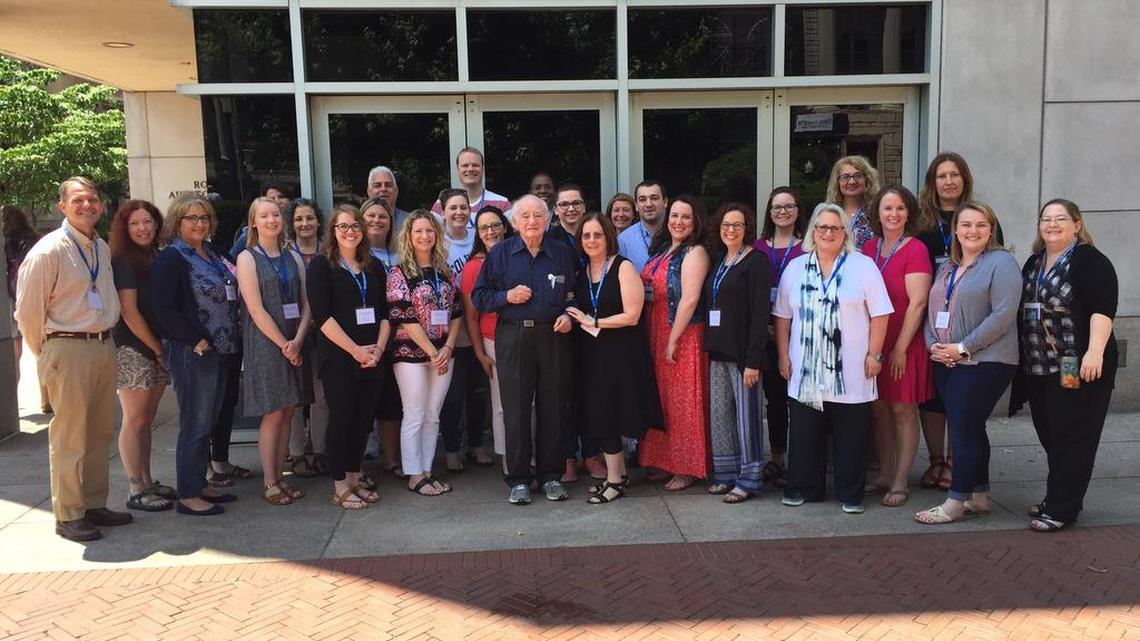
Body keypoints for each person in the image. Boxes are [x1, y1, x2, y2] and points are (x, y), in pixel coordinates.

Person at [14, 177, 131, 540]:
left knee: (99, 433)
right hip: (67, 347)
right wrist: (48, 354)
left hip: (101, 345)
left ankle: (93, 504)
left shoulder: (99, 246)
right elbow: (28, 313)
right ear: (62, 205)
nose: (87, 206)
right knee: (69, 437)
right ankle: (68, 513)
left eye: (93, 199)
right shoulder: (49, 251)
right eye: (78, 200)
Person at [774, 203, 892, 515]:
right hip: (805, 367)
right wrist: (783, 356)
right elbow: (783, 318)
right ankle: (803, 488)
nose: (828, 233)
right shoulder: (795, 268)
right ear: (813, 231)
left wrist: (875, 354)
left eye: (835, 228)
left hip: (852, 368)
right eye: (822, 227)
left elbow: (880, 314)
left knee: (851, 434)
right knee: (804, 433)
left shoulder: (862, 266)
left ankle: (850, 493)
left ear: (844, 233)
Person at [1009, 199, 1118, 532]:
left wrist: (1095, 351)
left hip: (1075, 365)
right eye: (1046, 219)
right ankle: (1057, 496)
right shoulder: (1034, 262)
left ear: (1077, 224)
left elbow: (1102, 308)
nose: (1052, 224)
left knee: (1073, 436)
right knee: (1052, 435)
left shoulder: (1090, 261)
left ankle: (1062, 509)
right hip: (1039, 367)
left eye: (1060, 219)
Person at [915, 202, 1020, 525]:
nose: (972, 231)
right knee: (971, 427)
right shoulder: (948, 266)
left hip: (986, 361)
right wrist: (933, 344)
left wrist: (962, 348)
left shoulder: (1002, 263)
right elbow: (932, 311)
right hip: (947, 361)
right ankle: (979, 496)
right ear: (956, 230)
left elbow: (1003, 315)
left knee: (961, 429)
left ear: (991, 230)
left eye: (980, 225)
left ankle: (955, 501)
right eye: (966, 225)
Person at [472, 195, 577, 505]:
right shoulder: (500, 253)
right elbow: (480, 297)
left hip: (554, 336)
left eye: (538, 215)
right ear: (514, 223)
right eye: (526, 216)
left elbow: (574, 294)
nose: (532, 221)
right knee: (515, 409)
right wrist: (507, 296)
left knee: (553, 406)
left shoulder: (561, 252)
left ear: (547, 220)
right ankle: (518, 479)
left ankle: (551, 476)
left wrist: (568, 314)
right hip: (513, 336)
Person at [914, 152, 1001, 491]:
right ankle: (936, 458)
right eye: (941, 176)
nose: (948, 181)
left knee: (960, 400)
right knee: (932, 395)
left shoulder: (978, 217)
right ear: (932, 182)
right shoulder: (922, 221)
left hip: (969, 319)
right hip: (931, 319)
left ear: (964, 179)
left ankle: (955, 461)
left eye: (954, 175)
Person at [152, 193, 241, 516]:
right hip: (194, 352)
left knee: (209, 421)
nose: (200, 223)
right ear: (177, 222)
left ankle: (200, 484)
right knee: (195, 423)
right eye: (192, 218)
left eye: (204, 218)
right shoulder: (172, 258)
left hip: (223, 349)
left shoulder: (215, 253)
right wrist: (195, 340)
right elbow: (164, 309)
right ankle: (188, 495)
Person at [566, 212, 662, 504]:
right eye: (586, 235)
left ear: (608, 237)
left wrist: (594, 322)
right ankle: (617, 477)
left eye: (597, 235)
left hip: (622, 354)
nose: (591, 240)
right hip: (593, 355)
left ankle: (614, 481)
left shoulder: (623, 268)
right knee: (602, 415)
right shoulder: (583, 273)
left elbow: (632, 316)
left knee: (615, 415)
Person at [307, 206, 391, 509]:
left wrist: (378, 350)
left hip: (373, 356)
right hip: (340, 357)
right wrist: (355, 350)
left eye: (355, 226)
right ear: (332, 231)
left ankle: (356, 477)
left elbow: (385, 313)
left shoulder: (374, 266)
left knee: (362, 420)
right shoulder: (321, 266)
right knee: (341, 419)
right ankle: (339, 484)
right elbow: (322, 316)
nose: (350, 232)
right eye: (342, 227)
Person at [859, 186, 933, 508]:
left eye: (900, 208)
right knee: (879, 411)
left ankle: (901, 480)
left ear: (909, 213)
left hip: (904, 341)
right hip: (874, 343)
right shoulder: (868, 247)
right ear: (877, 213)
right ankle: (885, 474)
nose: (893, 214)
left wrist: (900, 348)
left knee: (903, 410)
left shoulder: (915, 249)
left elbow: (917, 303)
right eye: (887, 208)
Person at [236, 197, 311, 505]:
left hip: (295, 340)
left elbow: (308, 304)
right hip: (268, 345)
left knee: (289, 410)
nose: (271, 220)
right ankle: (270, 482)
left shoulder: (292, 256)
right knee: (273, 413)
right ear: (254, 222)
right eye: (264, 216)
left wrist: (299, 340)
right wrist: (284, 344)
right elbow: (255, 310)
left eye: (276, 214)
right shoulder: (247, 258)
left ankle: (281, 477)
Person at [387, 210, 464, 496]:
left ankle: (427, 470)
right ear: (408, 236)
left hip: (443, 353)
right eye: (418, 231)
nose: (424, 236)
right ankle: (414, 474)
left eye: (429, 231)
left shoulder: (445, 270)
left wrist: (447, 347)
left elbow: (456, 313)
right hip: (410, 354)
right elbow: (403, 316)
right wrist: (433, 351)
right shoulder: (399, 272)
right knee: (415, 413)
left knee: (433, 415)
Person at [637, 195, 711, 492]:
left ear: (696, 222)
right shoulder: (665, 249)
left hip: (682, 334)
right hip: (656, 328)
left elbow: (690, 299)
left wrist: (673, 338)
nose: (678, 222)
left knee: (683, 403)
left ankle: (686, 466)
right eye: (675, 216)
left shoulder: (695, 253)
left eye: (685, 217)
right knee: (664, 401)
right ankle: (664, 460)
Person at [109, 199, 175, 512]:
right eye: (135, 223)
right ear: (125, 228)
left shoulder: (156, 257)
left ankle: (148, 480)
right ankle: (136, 487)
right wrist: (157, 348)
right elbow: (129, 312)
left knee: (146, 419)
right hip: (134, 349)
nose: (142, 228)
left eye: (147, 222)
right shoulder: (123, 261)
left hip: (157, 348)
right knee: (134, 420)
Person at [703, 204, 770, 503]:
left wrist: (754, 360)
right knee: (720, 416)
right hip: (718, 350)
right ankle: (726, 475)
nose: (731, 229)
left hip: (745, 356)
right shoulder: (718, 262)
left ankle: (749, 478)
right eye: (726, 224)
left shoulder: (756, 261)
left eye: (738, 225)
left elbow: (760, 313)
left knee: (747, 418)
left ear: (747, 229)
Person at [752, 187, 807, 486]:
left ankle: (802, 458)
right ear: (769, 212)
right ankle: (777, 458)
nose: (782, 212)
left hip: (799, 335)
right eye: (776, 207)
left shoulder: (808, 248)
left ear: (799, 211)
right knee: (773, 400)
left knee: (798, 401)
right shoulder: (757, 247)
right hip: (765, 335)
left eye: (789, 206)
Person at [546, 183, 600, 482]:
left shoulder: (595, 233)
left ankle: (591, 455)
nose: (570, 209)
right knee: (563, 395)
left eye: (576, 203)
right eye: (564, 204)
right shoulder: (549, 240)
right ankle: (567, 457)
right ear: (556, 209)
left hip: (594, 325)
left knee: (591, 393)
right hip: (562, 326)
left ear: (584, 206)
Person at [437, 188, 492, 472]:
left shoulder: (477, 239)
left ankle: (476, 444)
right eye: (452, 208)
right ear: (442, 211)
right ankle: (451, 449)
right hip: (448, 326)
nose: (458, 212)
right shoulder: (437, 242)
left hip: (477, 322)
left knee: (477, 390)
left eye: (463, 208)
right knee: (453, 393)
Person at [460, 206, 516, 466]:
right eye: (484, 227)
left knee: (532, 402)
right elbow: (471, 316)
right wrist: (479, 352)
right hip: (493, 340)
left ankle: (532, 455)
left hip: (525, 335)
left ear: (504, 226)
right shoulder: (473, 267)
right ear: (478, 233)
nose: (491, 231)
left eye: (495, 225)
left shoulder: (519, 255)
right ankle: (508, 460)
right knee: (502, 403)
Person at [284, 198, 329, 478]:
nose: (305, 224)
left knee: (322, 396)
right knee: (294, 397)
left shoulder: (329, 251)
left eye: (309, 218)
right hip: (293, 334)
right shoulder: (284, 254)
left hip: (325, 334)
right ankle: (298, 454)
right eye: (299, 219)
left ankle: (322, 451)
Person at [359, 197, 402, 480]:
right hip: (362, 339)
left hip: (397, 338)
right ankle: (357, 466)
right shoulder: (354, 255)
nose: (376, 221)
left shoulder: (399, 253)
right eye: (371, 216)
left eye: (382, 217)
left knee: (391, 402)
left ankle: (391, 459)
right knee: (360, 404)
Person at [3, 204, 47, 412]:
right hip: (36, 298)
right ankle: (46, 399)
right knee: (41, 348)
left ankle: (11, 405)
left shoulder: (7, 244)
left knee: (14, 354)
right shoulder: (34, 241)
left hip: (11, 300)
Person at [431, 147, 511, 227]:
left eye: (475, 165)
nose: (470, 169)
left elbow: (513, 236)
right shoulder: (441, 203)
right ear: (458, 169)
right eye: (465, 165)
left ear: (483, 168)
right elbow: (432, 234)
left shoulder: (502, 204)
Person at [826, 156, 880, 250]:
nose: (852, 181)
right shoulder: (829, 213)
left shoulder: (877, 212)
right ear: (837, 182)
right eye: (845, 177)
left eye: (858, 176)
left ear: (867, 180)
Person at [618, 180, 669, 273]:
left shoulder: (677, 233)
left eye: (654, 198)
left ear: (665, 202)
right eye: (642, 200)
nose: (648, 204)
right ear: (636, 206)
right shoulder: (623, 240)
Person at [230, 182, 290, 257]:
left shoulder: (296, 226)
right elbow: (230, 260)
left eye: (281, 197)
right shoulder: (249, 234)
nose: (277, 201)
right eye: (271, 198)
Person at [367, 166, 412, 242]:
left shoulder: (411, 221)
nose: (383, 189)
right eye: (377, 185)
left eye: (388, 185)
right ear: (369, 192)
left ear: (396, 191)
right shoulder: (359, 222)